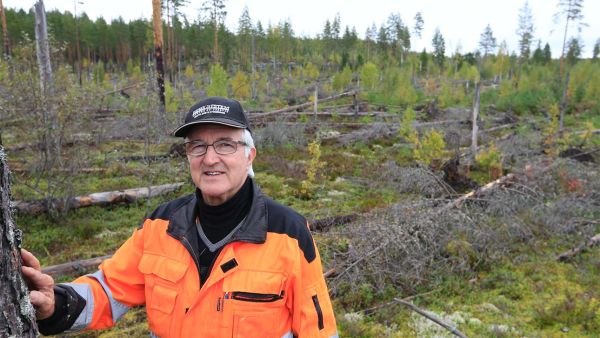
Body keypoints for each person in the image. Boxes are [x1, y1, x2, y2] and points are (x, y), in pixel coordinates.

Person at [21, 96, 338, 337]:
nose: (210, 158)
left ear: (249, 154)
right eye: (197, 146)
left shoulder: (289, 234)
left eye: (225, 144)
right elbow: (107, 290)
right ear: (188, 155)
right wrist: (55, 304)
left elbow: (319, 330)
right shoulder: (160, 226)